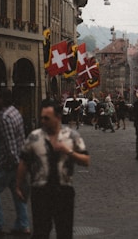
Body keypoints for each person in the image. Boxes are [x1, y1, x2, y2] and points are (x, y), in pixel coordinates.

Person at [16, 98, 90, 239]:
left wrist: (69, 151)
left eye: (47, 118)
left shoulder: (71, 136)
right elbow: (24, 161)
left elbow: (86, 160)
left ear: (58, 117)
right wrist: (18, 185)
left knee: (64, 232)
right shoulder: (34, 137)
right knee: (40, 232)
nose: (43, 121)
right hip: (40, 192)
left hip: (63, 192)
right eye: (41, 117)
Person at [0, 89, 30, 237]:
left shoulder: (6, 118)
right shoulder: (15, 112)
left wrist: (18, 166)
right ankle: (23, 225)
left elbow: (11, 145)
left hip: (6, 163)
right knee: (17, 193)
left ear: (2, 99)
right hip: (15, 161)